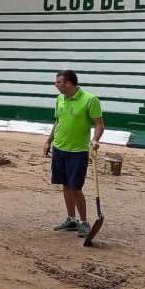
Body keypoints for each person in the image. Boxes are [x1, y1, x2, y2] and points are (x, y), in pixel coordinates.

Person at [44, 70, 104, 238]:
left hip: (77, 152)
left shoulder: (90, 100)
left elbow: (99, 124)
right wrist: (49, 141)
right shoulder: (59, 99)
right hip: (59, 149)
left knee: (76, 187)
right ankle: (72, 219)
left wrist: (95, 139)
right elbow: (58, 122)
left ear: (68, 83)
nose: (55, 85)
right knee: (65, 185)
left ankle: (84, 222)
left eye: (58, 82)